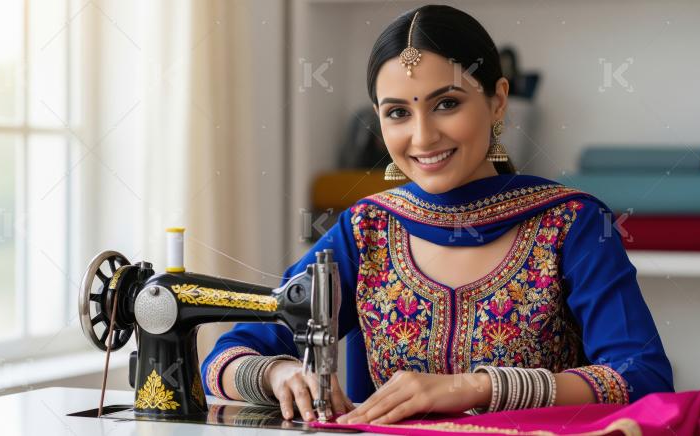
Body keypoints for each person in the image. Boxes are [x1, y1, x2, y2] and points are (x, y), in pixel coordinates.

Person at [201, 4, 674, 425]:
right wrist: (279, 373)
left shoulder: (572, 225)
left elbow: (642, 377)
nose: (423, 137)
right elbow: (227, 357)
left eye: (446, 104)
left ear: (498, 100)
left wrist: (474, 387)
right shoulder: (364, 231)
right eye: (398, 113)